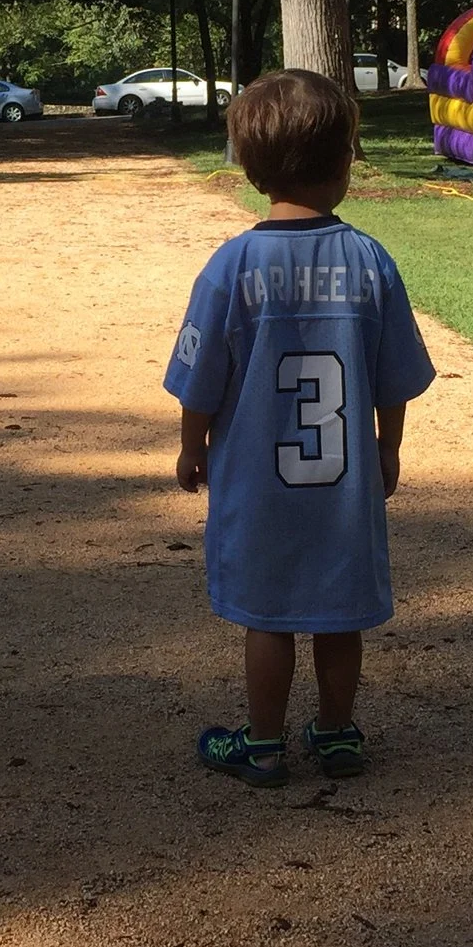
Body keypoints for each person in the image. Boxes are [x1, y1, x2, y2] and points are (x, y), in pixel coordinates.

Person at [165, 68, 436, 787]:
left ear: (252, 169)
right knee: (339, 612)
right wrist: (387, 447)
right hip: (342, 484)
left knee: (269, 616)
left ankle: (262, 743)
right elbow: (392, 376)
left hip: (260, 486)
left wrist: (193, 445)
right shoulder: (370, 261)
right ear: (344, 162)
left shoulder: (233, 265)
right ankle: (339, 732)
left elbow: (199, 380)